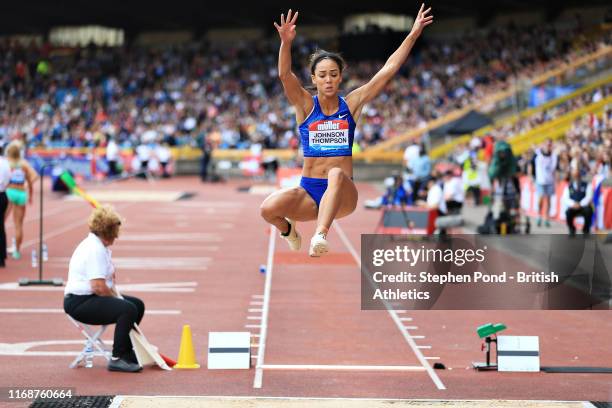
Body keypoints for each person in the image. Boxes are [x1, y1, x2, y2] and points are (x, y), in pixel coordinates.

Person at [260, 5, 433, 257]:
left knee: (336, 173)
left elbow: (387, 71)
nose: (328, 79)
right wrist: (286, 43)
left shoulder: (351, 105)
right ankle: (290, 231)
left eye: (333, 74)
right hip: (309, 191)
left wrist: (413, 33)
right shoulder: (306, 105)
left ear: (340, 77)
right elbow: (285, 75)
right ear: (314, 78)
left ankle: (320, 234)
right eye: (323, 75)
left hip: (343, 193)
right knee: (267, 209)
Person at [63, 206, 145, 373]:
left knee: (137, 305)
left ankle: (127, 352)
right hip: (79, 302)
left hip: (89, 298)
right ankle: (117, 358)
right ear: (109, 231)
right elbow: (98, 287)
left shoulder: (100, 246)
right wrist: (116, 300)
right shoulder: (94, 249)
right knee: (127, 308)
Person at [5, 141, 38, 260]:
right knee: (18, 225)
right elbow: (34, 177)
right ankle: (17, 252)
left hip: (9, 192)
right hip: (21, 194)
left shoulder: (7, 163)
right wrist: (29, 193)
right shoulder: (24, 164)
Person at [563, 168, 593, 237]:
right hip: (573, 207)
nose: (576, 177)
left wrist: (580, 204)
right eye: (574, 176)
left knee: (589, 211)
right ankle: (572, 229)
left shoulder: (587, 185)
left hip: (583, 207)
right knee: (568, 212)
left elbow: (589, 196)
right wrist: (573, 204)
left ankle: (586, 230)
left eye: (577, 175)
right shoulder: (569, 187)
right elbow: (565, 198)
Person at [534, 139, 557, 227]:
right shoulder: (538, 154)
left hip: (550, 181)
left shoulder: (553, 156)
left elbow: (553, 168)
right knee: (541, 199)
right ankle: (539, 215)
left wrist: (555, 180)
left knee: (548, 199)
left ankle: (546, 218)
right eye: (547, 144)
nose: (548, 146)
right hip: (540, 181)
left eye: (550, 145)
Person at [0, 143, 10, 267]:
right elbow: (8, 178)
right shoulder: (5, 162)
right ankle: (2, 257)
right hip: (2, 194)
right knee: (1, 227)